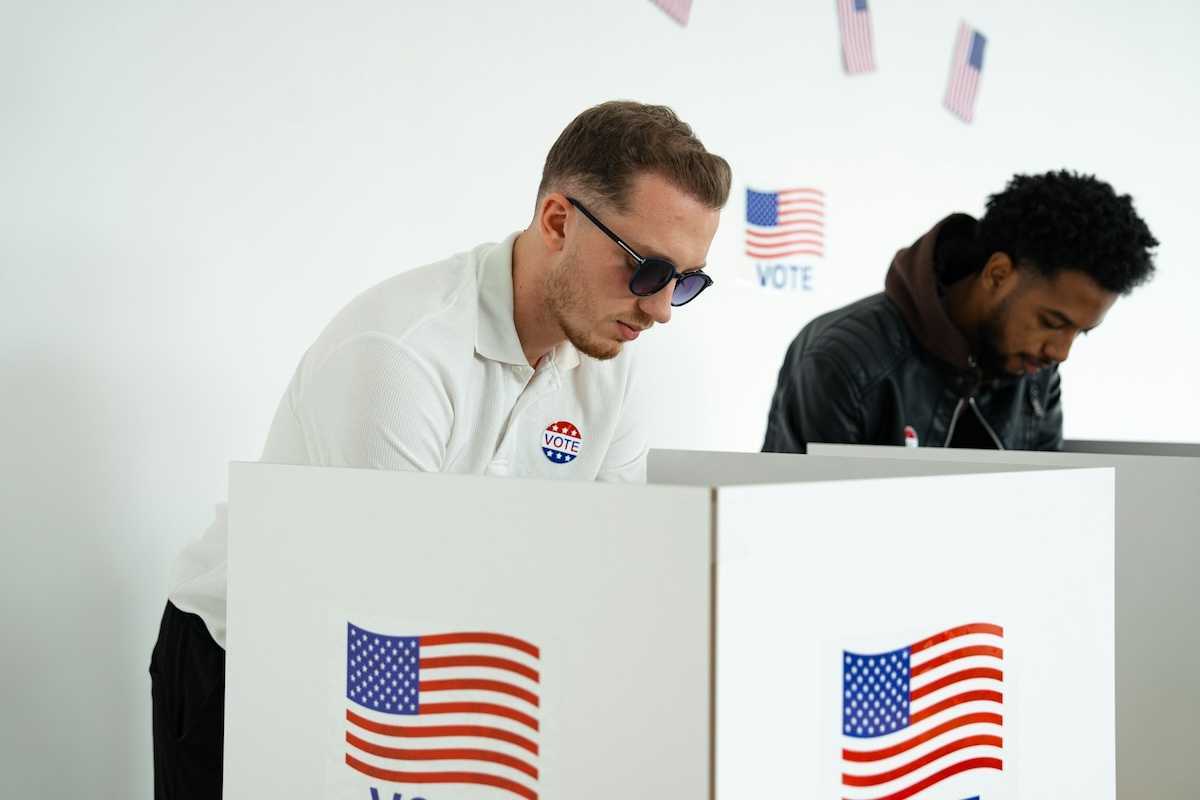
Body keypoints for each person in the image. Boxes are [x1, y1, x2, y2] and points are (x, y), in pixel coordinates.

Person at [150, 100, 731, 799]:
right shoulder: (400, 354)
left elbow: (605, 566)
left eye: (688, 282)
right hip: (243, 659)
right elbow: (394, 603)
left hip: (422, 652)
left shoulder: (610, 356)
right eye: (647, 270)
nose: (662, 309)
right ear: (557, 222)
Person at [762, 170, 1157, 453]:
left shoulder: (1035, 373)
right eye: (1052, 323)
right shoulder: (847, 359)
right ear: (997, 274)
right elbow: (801, 529)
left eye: (1081, 332)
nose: (1061, 352)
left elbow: (1043, 516)